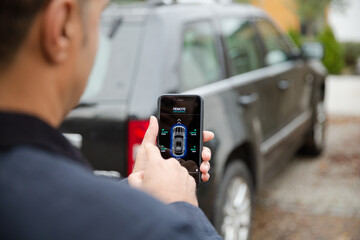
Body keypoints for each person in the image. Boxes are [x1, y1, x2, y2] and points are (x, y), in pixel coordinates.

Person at [0, 0, 222, 239]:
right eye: (99, 21)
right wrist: (180, 206)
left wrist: (136, 187)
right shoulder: (154, 229)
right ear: (62, 26)